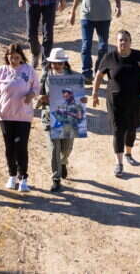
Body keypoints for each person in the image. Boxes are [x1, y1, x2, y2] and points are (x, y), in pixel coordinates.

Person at [91, 29, 140, 177]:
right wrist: (95, 93)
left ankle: (128, 153)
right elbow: (99, 75)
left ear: (130, 42)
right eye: (120, 40)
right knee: (118, 130)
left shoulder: (139, 56)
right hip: (115, 101)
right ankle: (119, 163)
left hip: (135, 100)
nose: (123, 42)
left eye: (126, 40)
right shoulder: (109, 57)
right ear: (116, 42)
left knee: (132, 128)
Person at [0, 43, 39, 193]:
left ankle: (23, 178)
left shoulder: (29, 70)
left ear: (21, 57)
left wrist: (31, 95)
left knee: (21, 147)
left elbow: (36, 87)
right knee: (9, 147)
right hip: (5, 115)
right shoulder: (1, 71)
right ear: (7, 57)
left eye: (17, 57)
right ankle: (12, 175)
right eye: (11, 57)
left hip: (23, 116)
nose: (14, 61)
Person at [68, 0, 122, 83]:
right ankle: (86, 73)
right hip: (87, 15)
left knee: (103, 47)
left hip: (104, 16)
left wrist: (118, 6)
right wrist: (73, 11)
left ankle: (99, 71)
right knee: (86, 46)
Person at [38, 47, 84, 192]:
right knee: (54, 148)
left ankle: (63, 162)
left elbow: (79, 97)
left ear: (65, 63)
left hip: (68, 118)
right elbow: (38, 94)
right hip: (50, 117)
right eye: (54, 63)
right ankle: (56, 178)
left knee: (67, 147)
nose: (57, 65)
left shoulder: (74, 77)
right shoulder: (45, 76)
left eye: (60, 63)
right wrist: (41, 99)